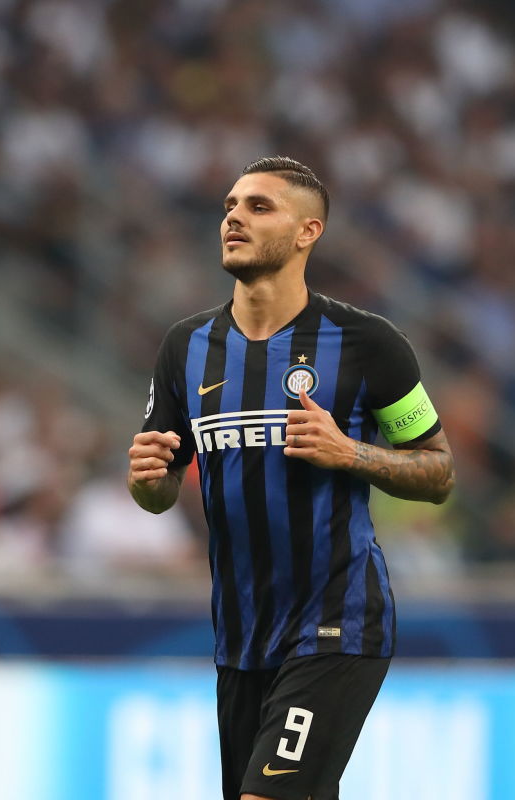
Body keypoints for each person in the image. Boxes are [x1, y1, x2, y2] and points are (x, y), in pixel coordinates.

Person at [127, 156, 455, 800]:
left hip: (337, 620)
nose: (234, 218)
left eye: (258, 207)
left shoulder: (368, 344)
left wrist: (351, 452)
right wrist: (146, 480)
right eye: (230, 206)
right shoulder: (185, 348)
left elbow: (438, 470)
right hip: (241, 635)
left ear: (308, 232)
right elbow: (158, 491)